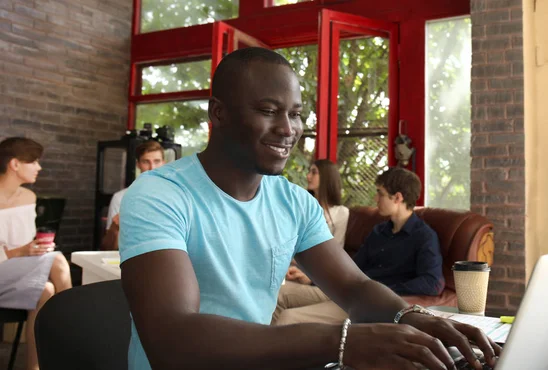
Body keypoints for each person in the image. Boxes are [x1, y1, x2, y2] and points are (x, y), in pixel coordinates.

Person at [119, 47, 501, 370]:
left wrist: (414, 318)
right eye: (269, 110)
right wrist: (342, 341)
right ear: (218, 114)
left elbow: (354, 287)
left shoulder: (293, 202)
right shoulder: (160, 194)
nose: (289, 129)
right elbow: (171, 340)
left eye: (296, 113)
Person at [273, 167, 444, 325]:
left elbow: (432, 283)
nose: (375, 198)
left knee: (289, 317)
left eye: (380, 193)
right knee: (277, 295)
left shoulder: (424, 236)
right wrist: (313, 278)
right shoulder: (379, 231)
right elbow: (353, 267)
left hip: (369, 302)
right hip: (349, 290)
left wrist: (382, 291)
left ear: (398, 198)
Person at [0, 137, 73, 370]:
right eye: (34, 162)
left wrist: (37, 249)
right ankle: (74, 329)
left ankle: (35, 367)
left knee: (46, 290)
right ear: (15, 164)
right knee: (59, 260)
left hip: (16, 270)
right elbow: (17, 250)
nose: (39, 168)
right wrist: (23, 251)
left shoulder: (29, 198)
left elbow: (25, 244)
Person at [100, 140, 165, 251]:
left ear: (164, 163)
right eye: (146, 162)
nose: (152, 167)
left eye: (157, 161)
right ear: (138, 164)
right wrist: (115, 227)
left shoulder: (175, 197)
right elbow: (108, 248)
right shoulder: (120, 198)